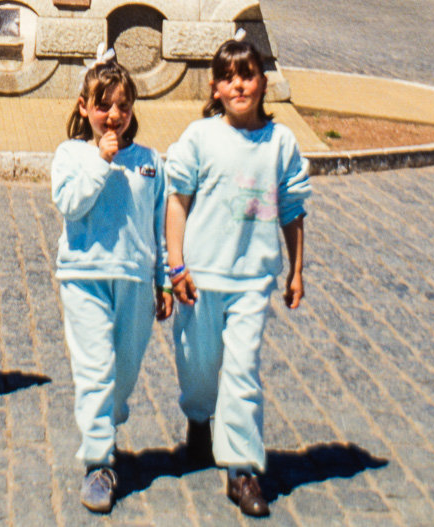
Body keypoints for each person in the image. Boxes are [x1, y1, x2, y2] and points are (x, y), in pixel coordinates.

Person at [166, 37, 311, 519]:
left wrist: (296, 270)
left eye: (247, 75)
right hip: (201, 276)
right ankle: (198, 419)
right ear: (215, 87)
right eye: (229, 78)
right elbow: (178, 200)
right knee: (199, 364)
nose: (239, 85)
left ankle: (242, 468)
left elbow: (292, 209)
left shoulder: (281, 143)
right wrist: (175, 264)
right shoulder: (200, 137)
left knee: (243, 371)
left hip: (253, 279)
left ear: (263, 83)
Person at [51, 54, 171, 515]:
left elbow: (158, 223)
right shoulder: (71, 155)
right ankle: (98, 461)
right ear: (85, 107)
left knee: (123, 373)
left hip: (136, 280)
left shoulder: (149, 161)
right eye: (104, 106)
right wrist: (100, 162)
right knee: (95, 370)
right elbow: (72, 204)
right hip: (85, 277)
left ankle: (107, 420)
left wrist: (162, 281)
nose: (114, 115)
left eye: (123, 106)